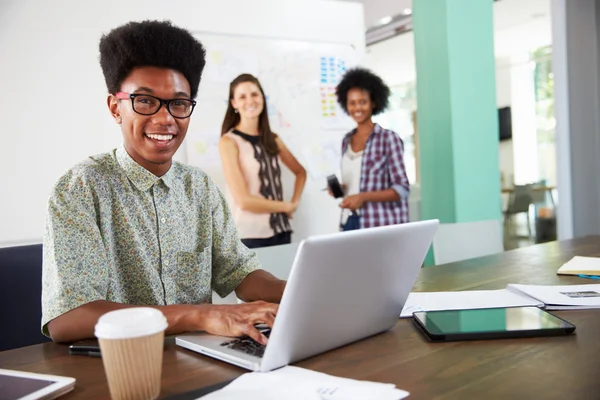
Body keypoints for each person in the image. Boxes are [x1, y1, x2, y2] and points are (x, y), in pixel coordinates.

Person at [41, 21, 285, 346]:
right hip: (119, 366)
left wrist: (298, 290)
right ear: (116, 108)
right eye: (144, 101)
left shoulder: (199, 187)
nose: (165, 118)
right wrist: (200, 315)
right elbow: (68, 318)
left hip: (201, 357)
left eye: (179, 103)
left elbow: (239, 272)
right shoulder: (82, 187)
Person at [219, 74, 306, 248]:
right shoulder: (229, 142)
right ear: (234, 103)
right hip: (250, 237)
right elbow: (244, 201)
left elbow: (300, 172)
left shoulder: (273, 139)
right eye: (242, 97)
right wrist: (286, 207)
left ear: (262, 98)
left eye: (254, 94)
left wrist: (294, 203)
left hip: (282, 231)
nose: (250, 101)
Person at [332, 67, 410, 230]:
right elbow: (358, 181)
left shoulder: (388, 139)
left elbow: (401, 189)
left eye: (363, 102)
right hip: (349, 221)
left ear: (373, 102)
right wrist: (341, 189)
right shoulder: (346, 141)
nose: (357, 108)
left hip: (379, 223)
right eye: (352, 103)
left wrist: (363, 197)